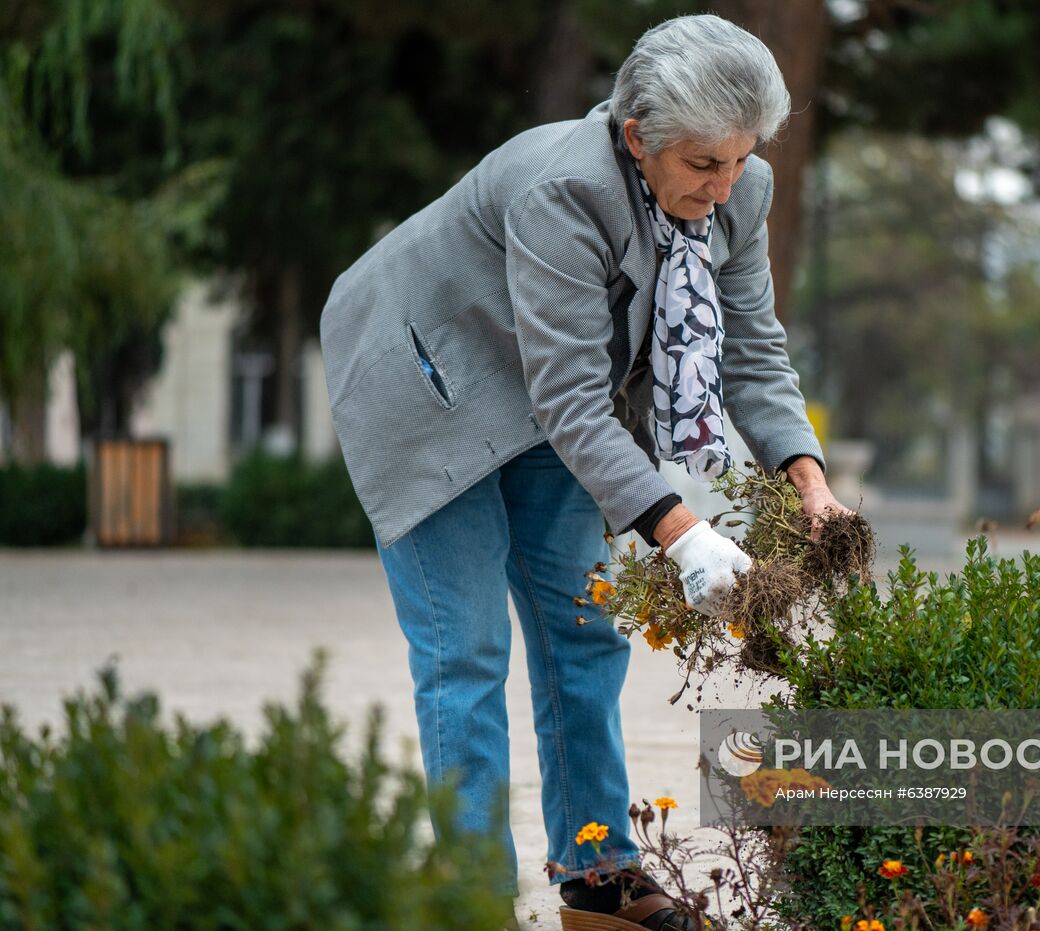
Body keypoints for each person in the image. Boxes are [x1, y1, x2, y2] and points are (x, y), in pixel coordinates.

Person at [318, 13, 852, 929]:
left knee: (584, 629)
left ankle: (599, 878)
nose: (723, 187)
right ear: (638, 135)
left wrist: (812, 484)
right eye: (702, 165)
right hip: (424, 381)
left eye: (739, 159)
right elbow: (572, 399)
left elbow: (755, 353)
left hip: (548, 398)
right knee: (466, 653)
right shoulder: (560, 187)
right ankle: (472, 898)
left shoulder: (743, 189)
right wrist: (685, 536)